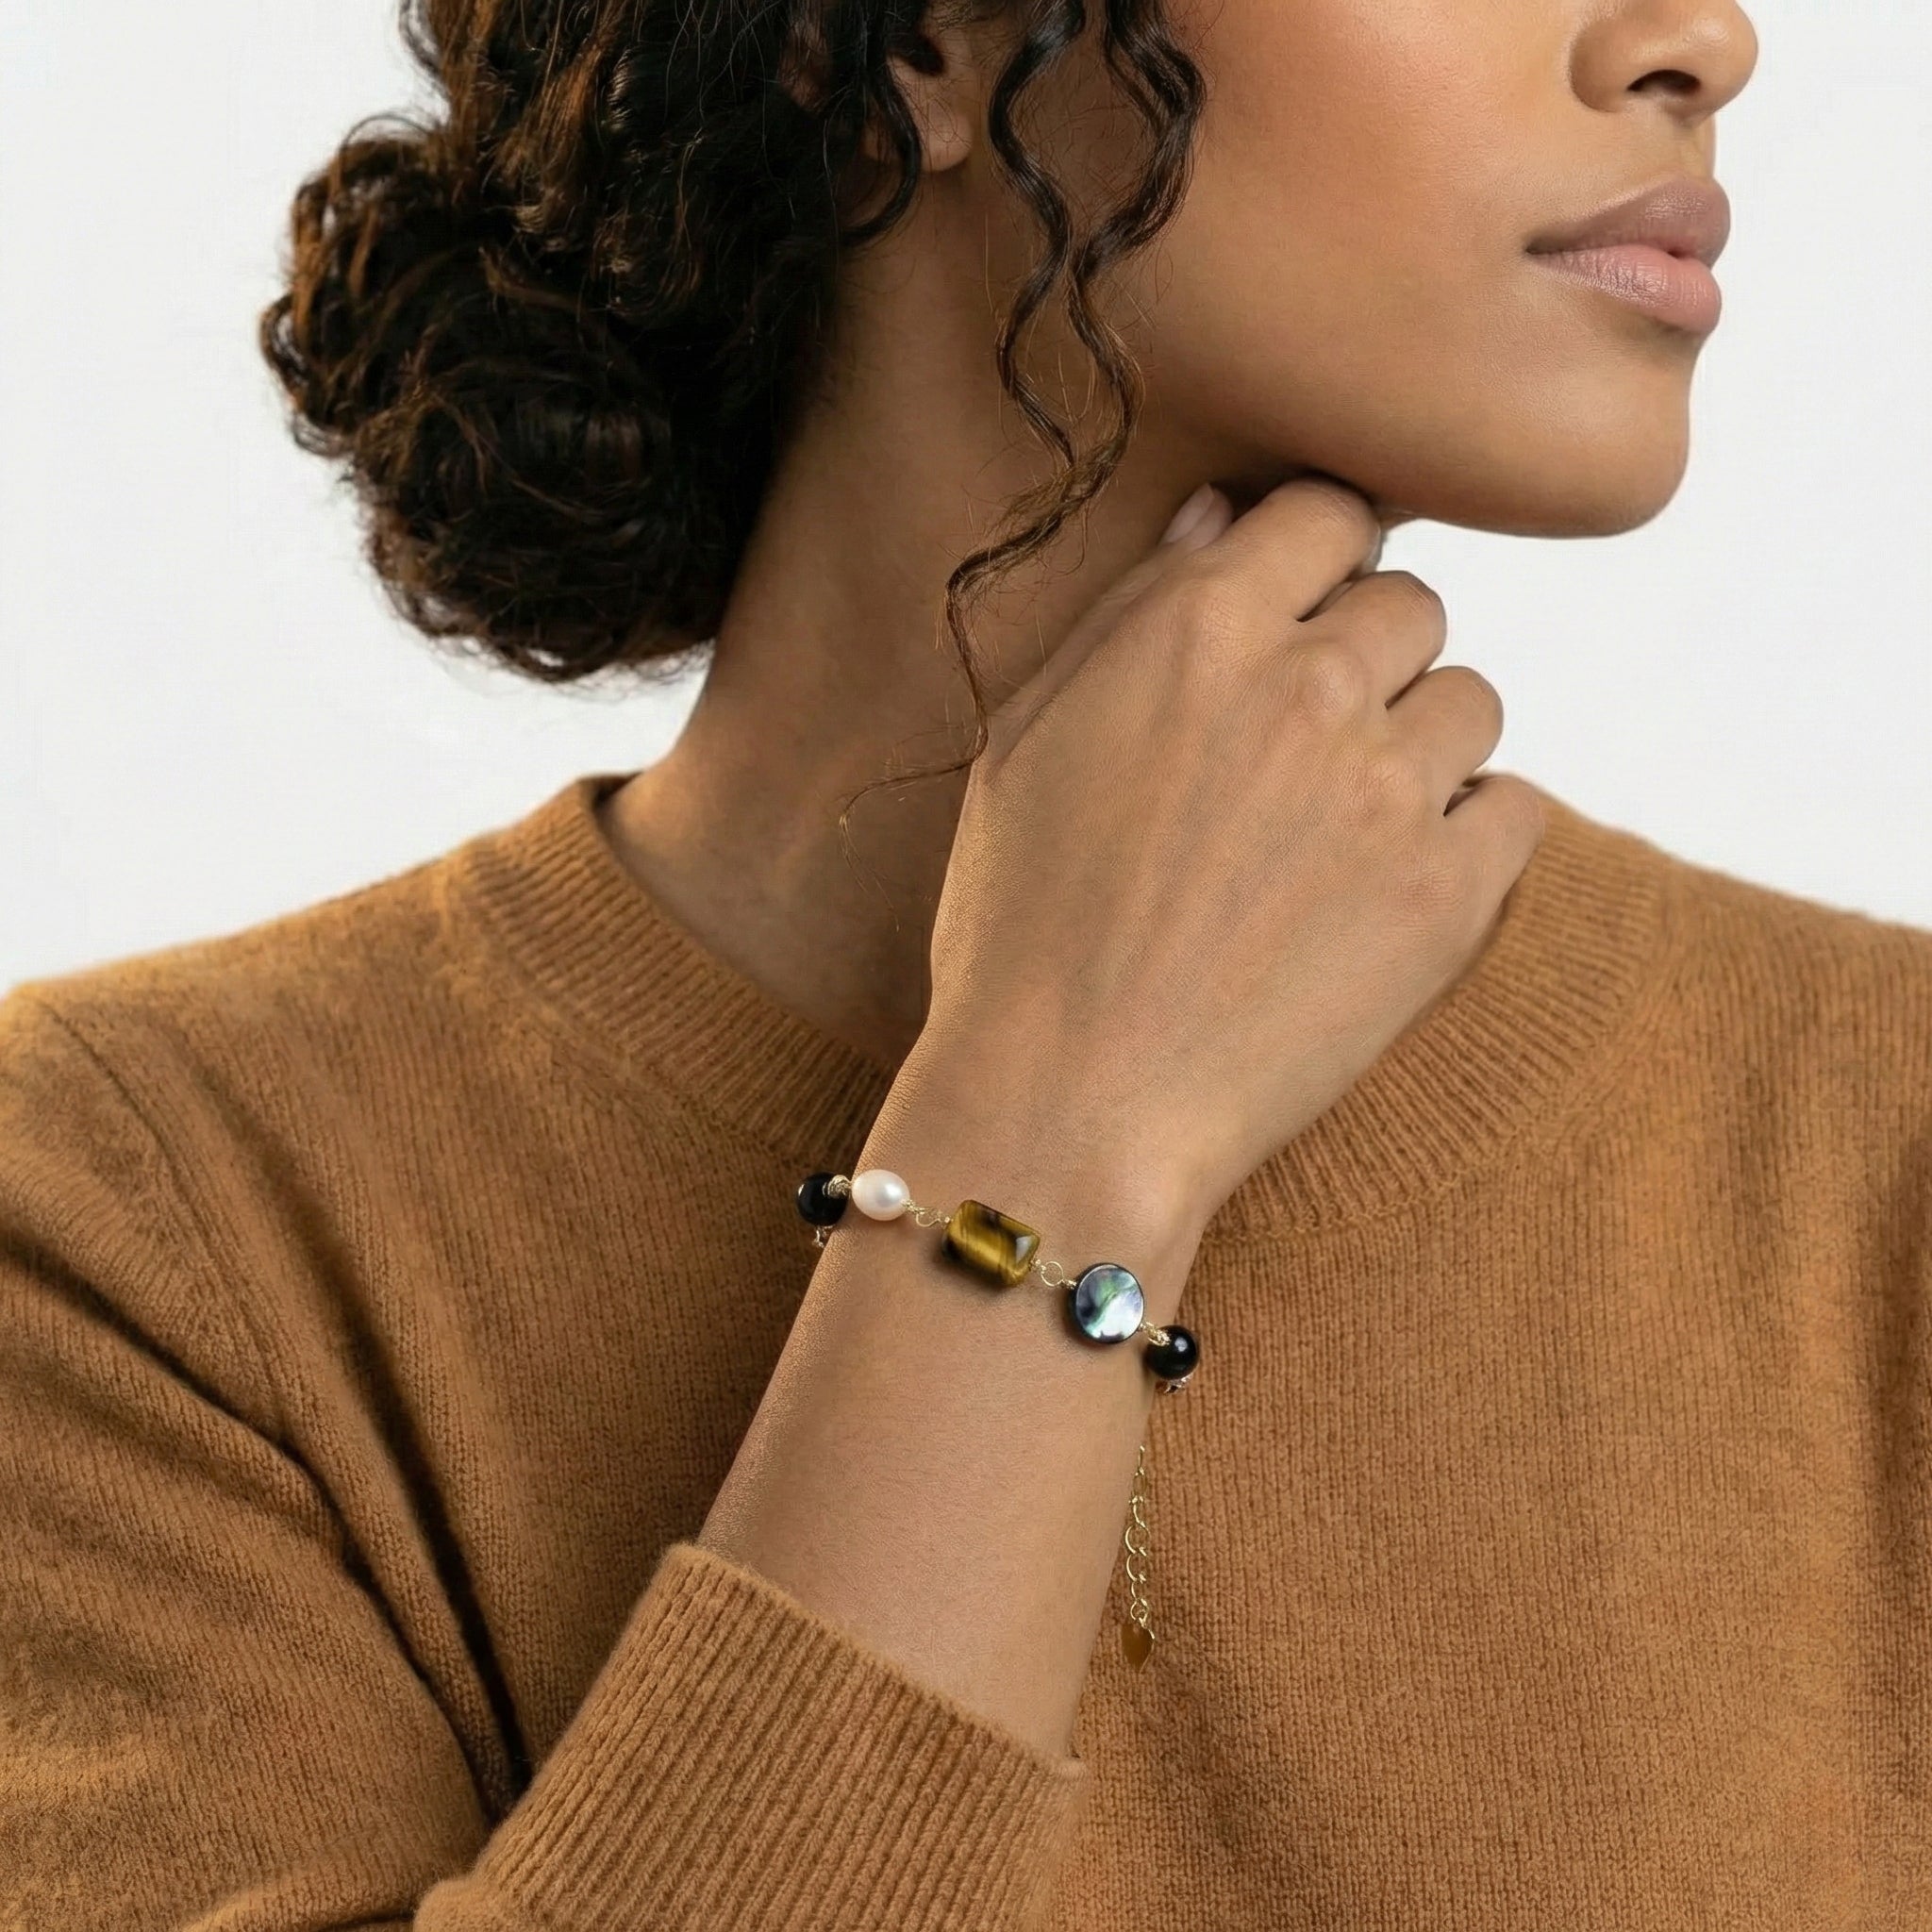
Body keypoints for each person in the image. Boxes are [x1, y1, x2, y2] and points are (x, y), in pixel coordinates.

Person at [4, 0, 1927, 1924]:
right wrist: (1057, 1129)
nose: (1702, 39)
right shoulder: (131, 1232)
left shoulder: (1887, 1149)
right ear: (908, 44)